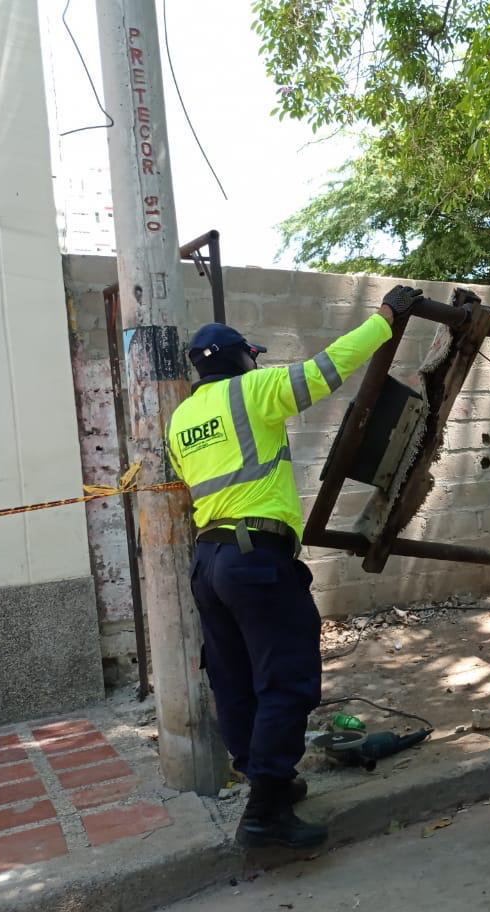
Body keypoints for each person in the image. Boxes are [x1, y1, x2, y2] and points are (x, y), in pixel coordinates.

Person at [167, 284, 419, 848]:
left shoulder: (181, 420)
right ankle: (264, 813)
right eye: (251, 355)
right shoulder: (254, 391)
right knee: (286, 679)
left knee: (234, 679)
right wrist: (385, 320)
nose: (256, 361)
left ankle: (267, 781)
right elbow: (327, 369)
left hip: (209, 562)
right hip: (256, 559)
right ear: (240, 358)